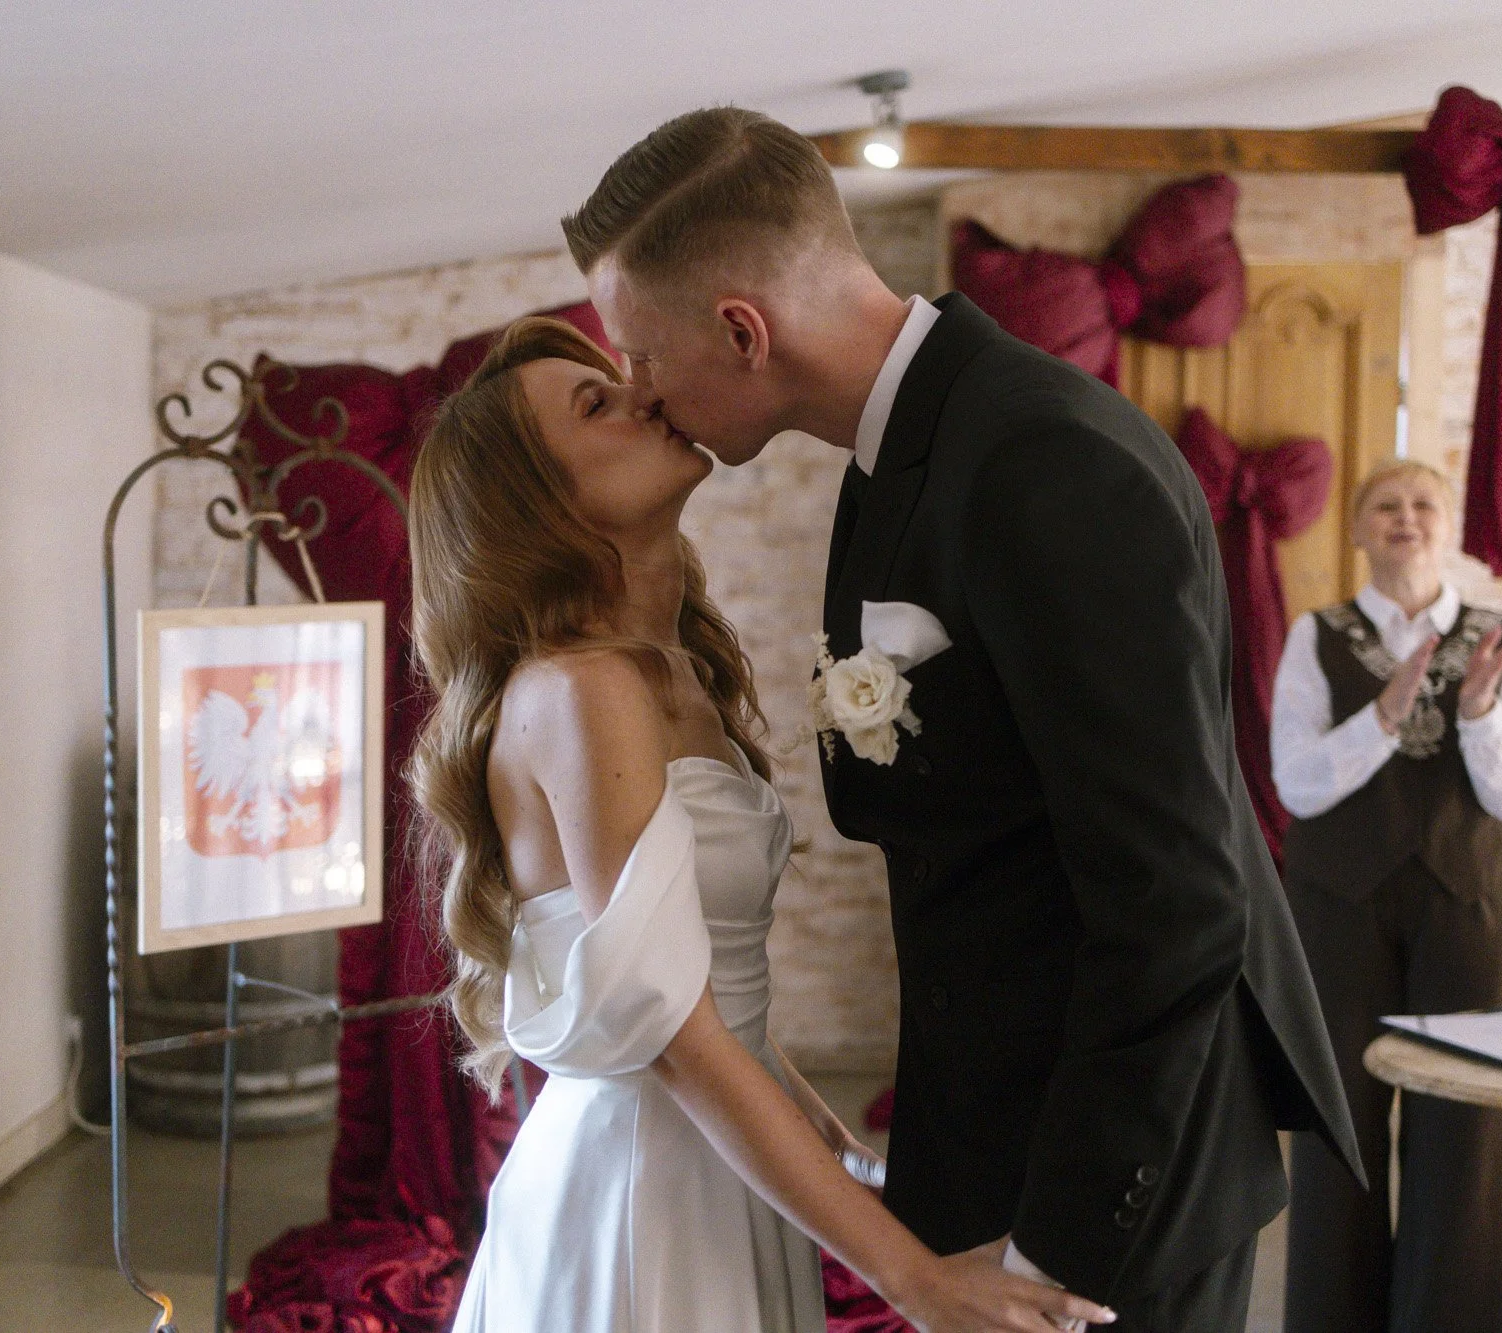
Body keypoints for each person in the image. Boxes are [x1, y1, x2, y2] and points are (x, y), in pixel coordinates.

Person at [560, 107, 1364, 1333]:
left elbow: (1175, 901)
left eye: (636, 349)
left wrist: (1050, 1248)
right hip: (987, 1129)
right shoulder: (896, 455)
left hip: (1109, 1189)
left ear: (739, 328)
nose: (635, 385)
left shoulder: (1046, 462)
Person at [411, 316, 1107, 1332]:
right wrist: (912, 1278)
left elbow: (710, 994)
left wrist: (838, 1148)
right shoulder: (579, 688)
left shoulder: (676, 672)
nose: (642, 397)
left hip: (725, 1161)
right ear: (533, 498)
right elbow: (676, 1036)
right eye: (595, 405)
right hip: (640, 1189)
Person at [1272, 459, 1502, 1333]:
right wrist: (1384, 714)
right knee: (1337, 1126)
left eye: (1423, 503)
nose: (1406, 517)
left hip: (1466, 904)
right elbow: (1296, 783)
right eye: (1384, 505)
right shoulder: (1317, 635)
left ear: (1446, 523)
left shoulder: (1500, 635)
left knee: (1464, 1127)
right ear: (1357, 530)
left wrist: (1476, 714)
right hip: (1337, 901)